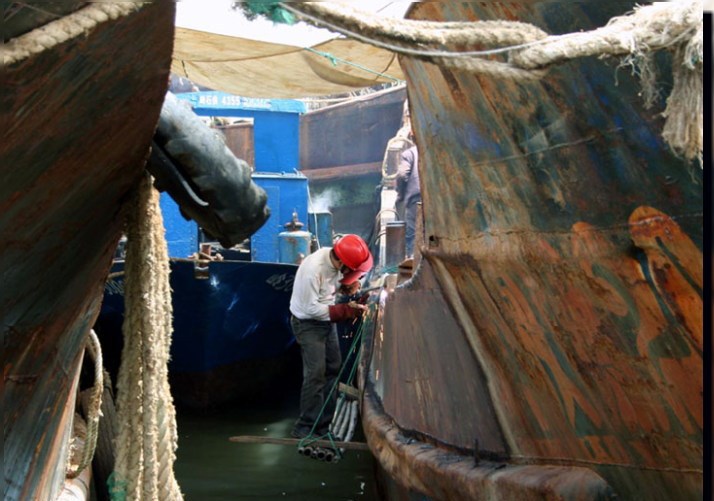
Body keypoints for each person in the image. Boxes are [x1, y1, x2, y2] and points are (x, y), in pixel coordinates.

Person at [289, 234, 373, 439]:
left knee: (333, 368)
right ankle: (305, 426)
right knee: (315, 373)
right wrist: (346, 311)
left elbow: (334, 284)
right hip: (308, 324)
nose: (353, 274)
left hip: (326, 322)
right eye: (352, 271)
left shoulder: (336, 261)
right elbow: (311, 309)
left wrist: (347, 287)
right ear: (343, 263)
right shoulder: (314, 270)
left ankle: (323, 426)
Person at [396, 143, 421, 258]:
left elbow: (401, 175)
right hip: (435, 201)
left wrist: (401, 194)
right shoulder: (435, 152)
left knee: (412, 236)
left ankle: (412, 262)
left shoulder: (410, 153)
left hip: (415, 199)